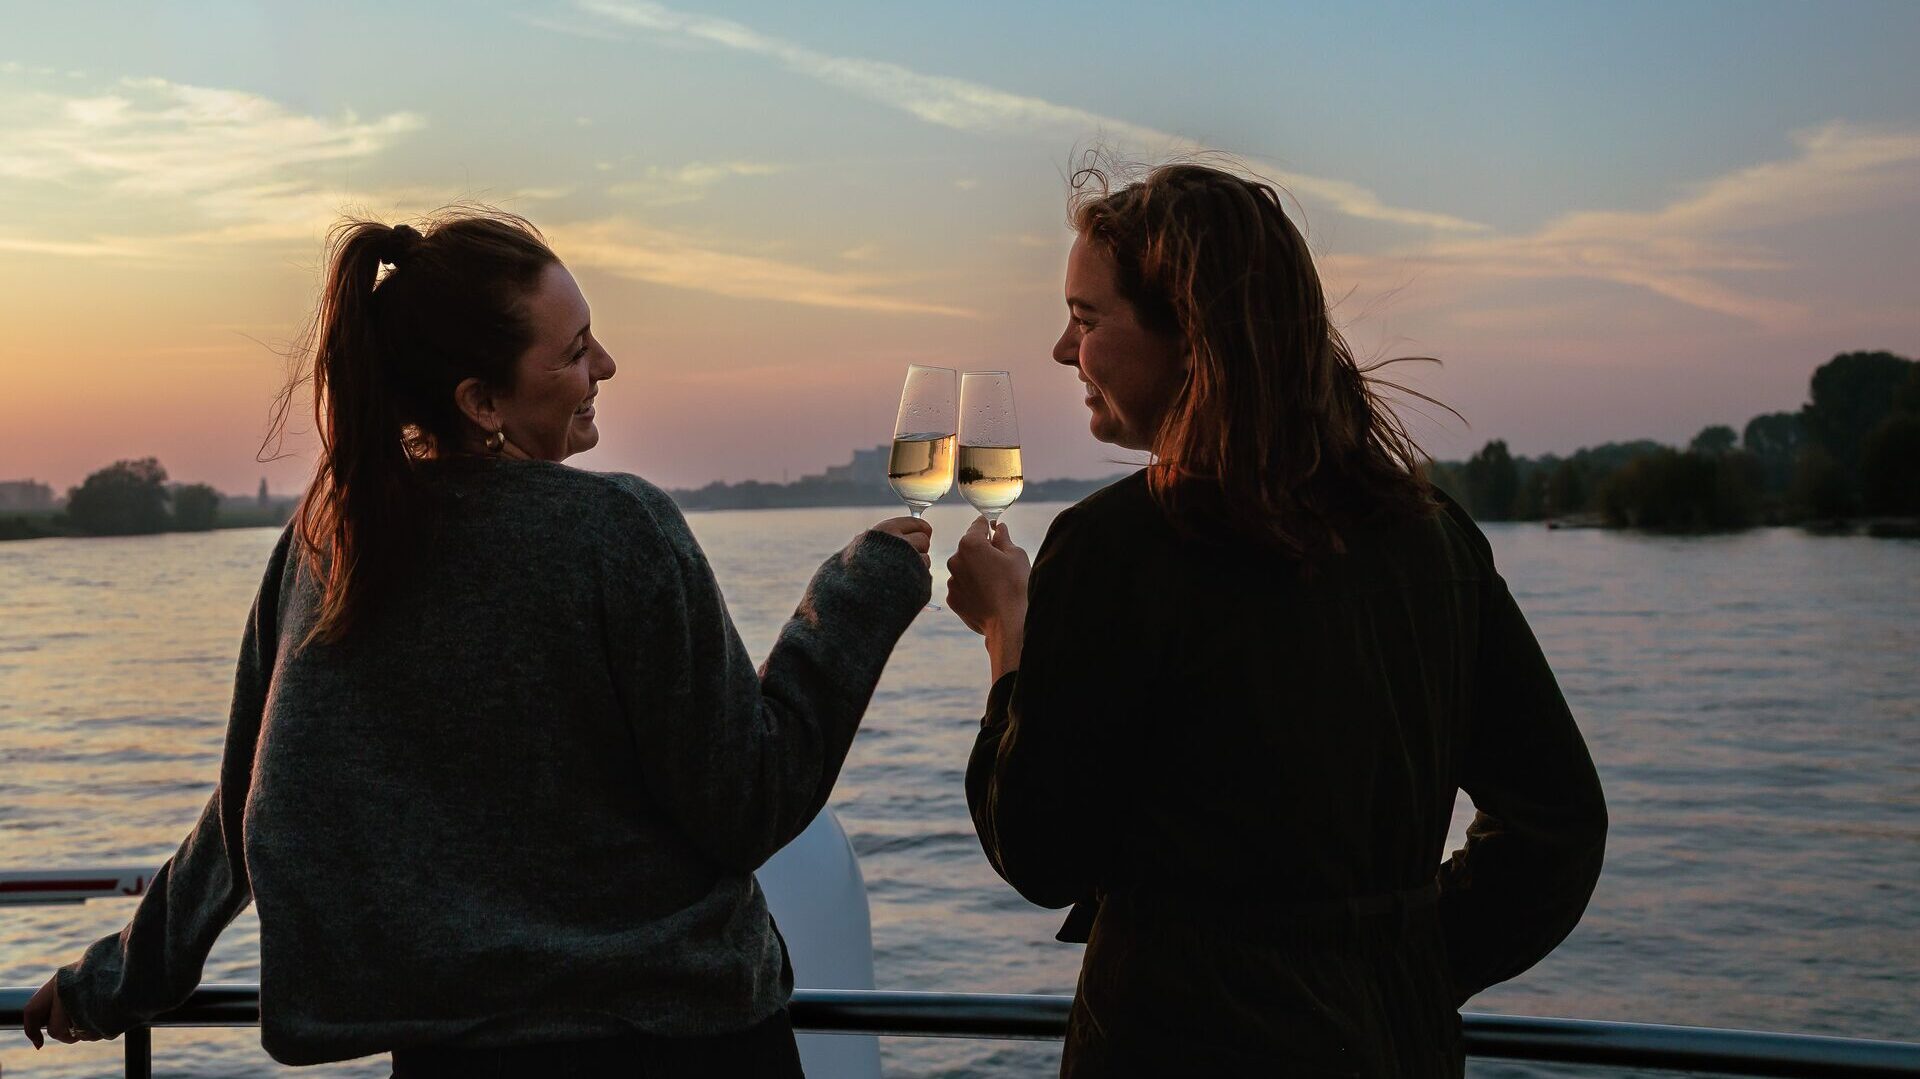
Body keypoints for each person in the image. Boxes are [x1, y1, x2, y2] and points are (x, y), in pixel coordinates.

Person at [19, 209, 932, 1077]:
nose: (606, 364)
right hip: (684, 1046)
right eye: (575, 352)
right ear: (481, 400)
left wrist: (115, 982)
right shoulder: (619, 531)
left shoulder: (326, 543)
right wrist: (862, 591)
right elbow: (749, 803)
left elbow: (237, 817)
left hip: (449, 1060)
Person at [945, 162, 1608, 1077]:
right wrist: (1391, 969)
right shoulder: (1434, 536)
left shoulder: (1117, 546)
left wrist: (1006, 633)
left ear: (1191, 336)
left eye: (1088, 319)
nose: (1065, 350)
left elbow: (1040, 849)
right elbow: (1558, 826)